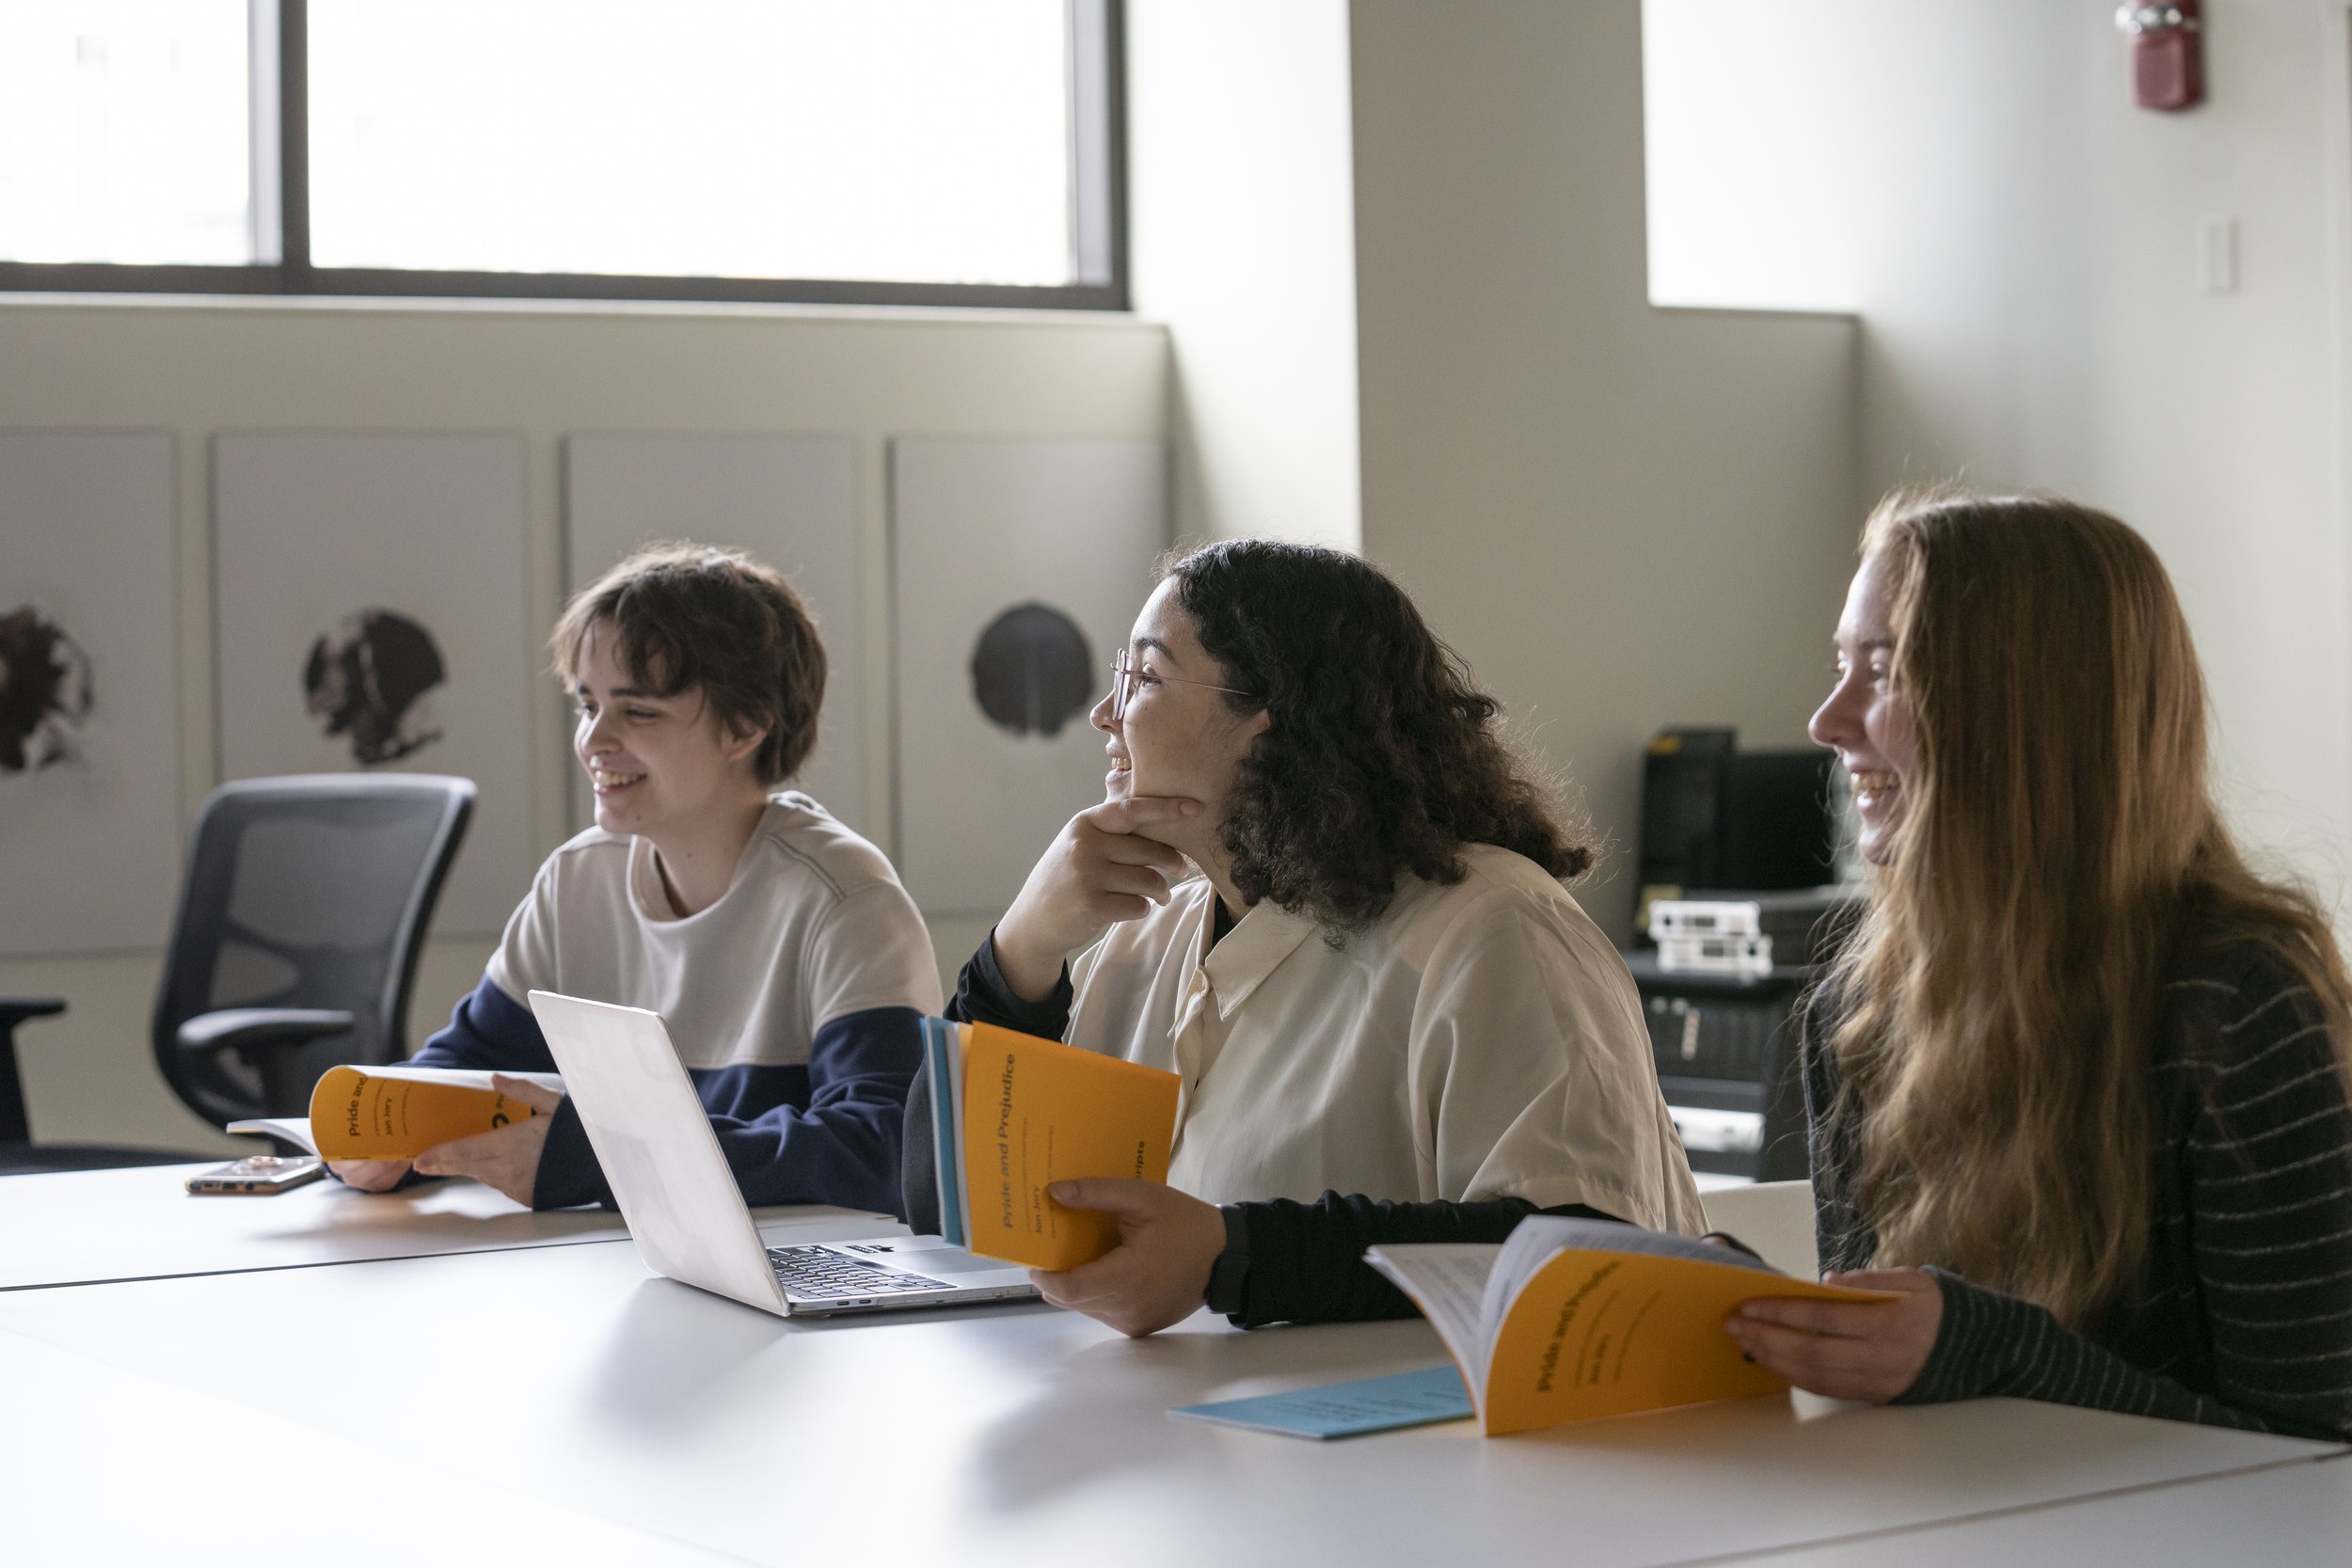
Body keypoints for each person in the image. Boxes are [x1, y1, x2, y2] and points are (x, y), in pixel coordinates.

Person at [907, 539, 1705, 1336]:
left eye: (1145, 677)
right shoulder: (1144, 938)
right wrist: (1022, 947)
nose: (1104, 713)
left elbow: (1582, 1250)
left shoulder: (1497, 927)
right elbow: (936, 1193)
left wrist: (1234, 1256)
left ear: (1268, 721)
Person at [1726, 490, 2352, 1441]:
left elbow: (2322, 1454)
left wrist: (1992, 1348)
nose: (1826, 720)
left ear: (2025, 712)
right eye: (1840, 666)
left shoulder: (2236, 1006)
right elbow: (1892, 1395)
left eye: (1882, 672)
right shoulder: (1856, 1013)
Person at [333, 544, 941, 1214]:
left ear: (745, 727)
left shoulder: (845, 901)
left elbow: (887, 1148)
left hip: (788, 1267)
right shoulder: (575, 883)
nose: (593, 740)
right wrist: (378, 1130)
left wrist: (602, 1159)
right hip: (619, 1257)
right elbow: (464, 1067)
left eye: (638, 711)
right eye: (587, 705)